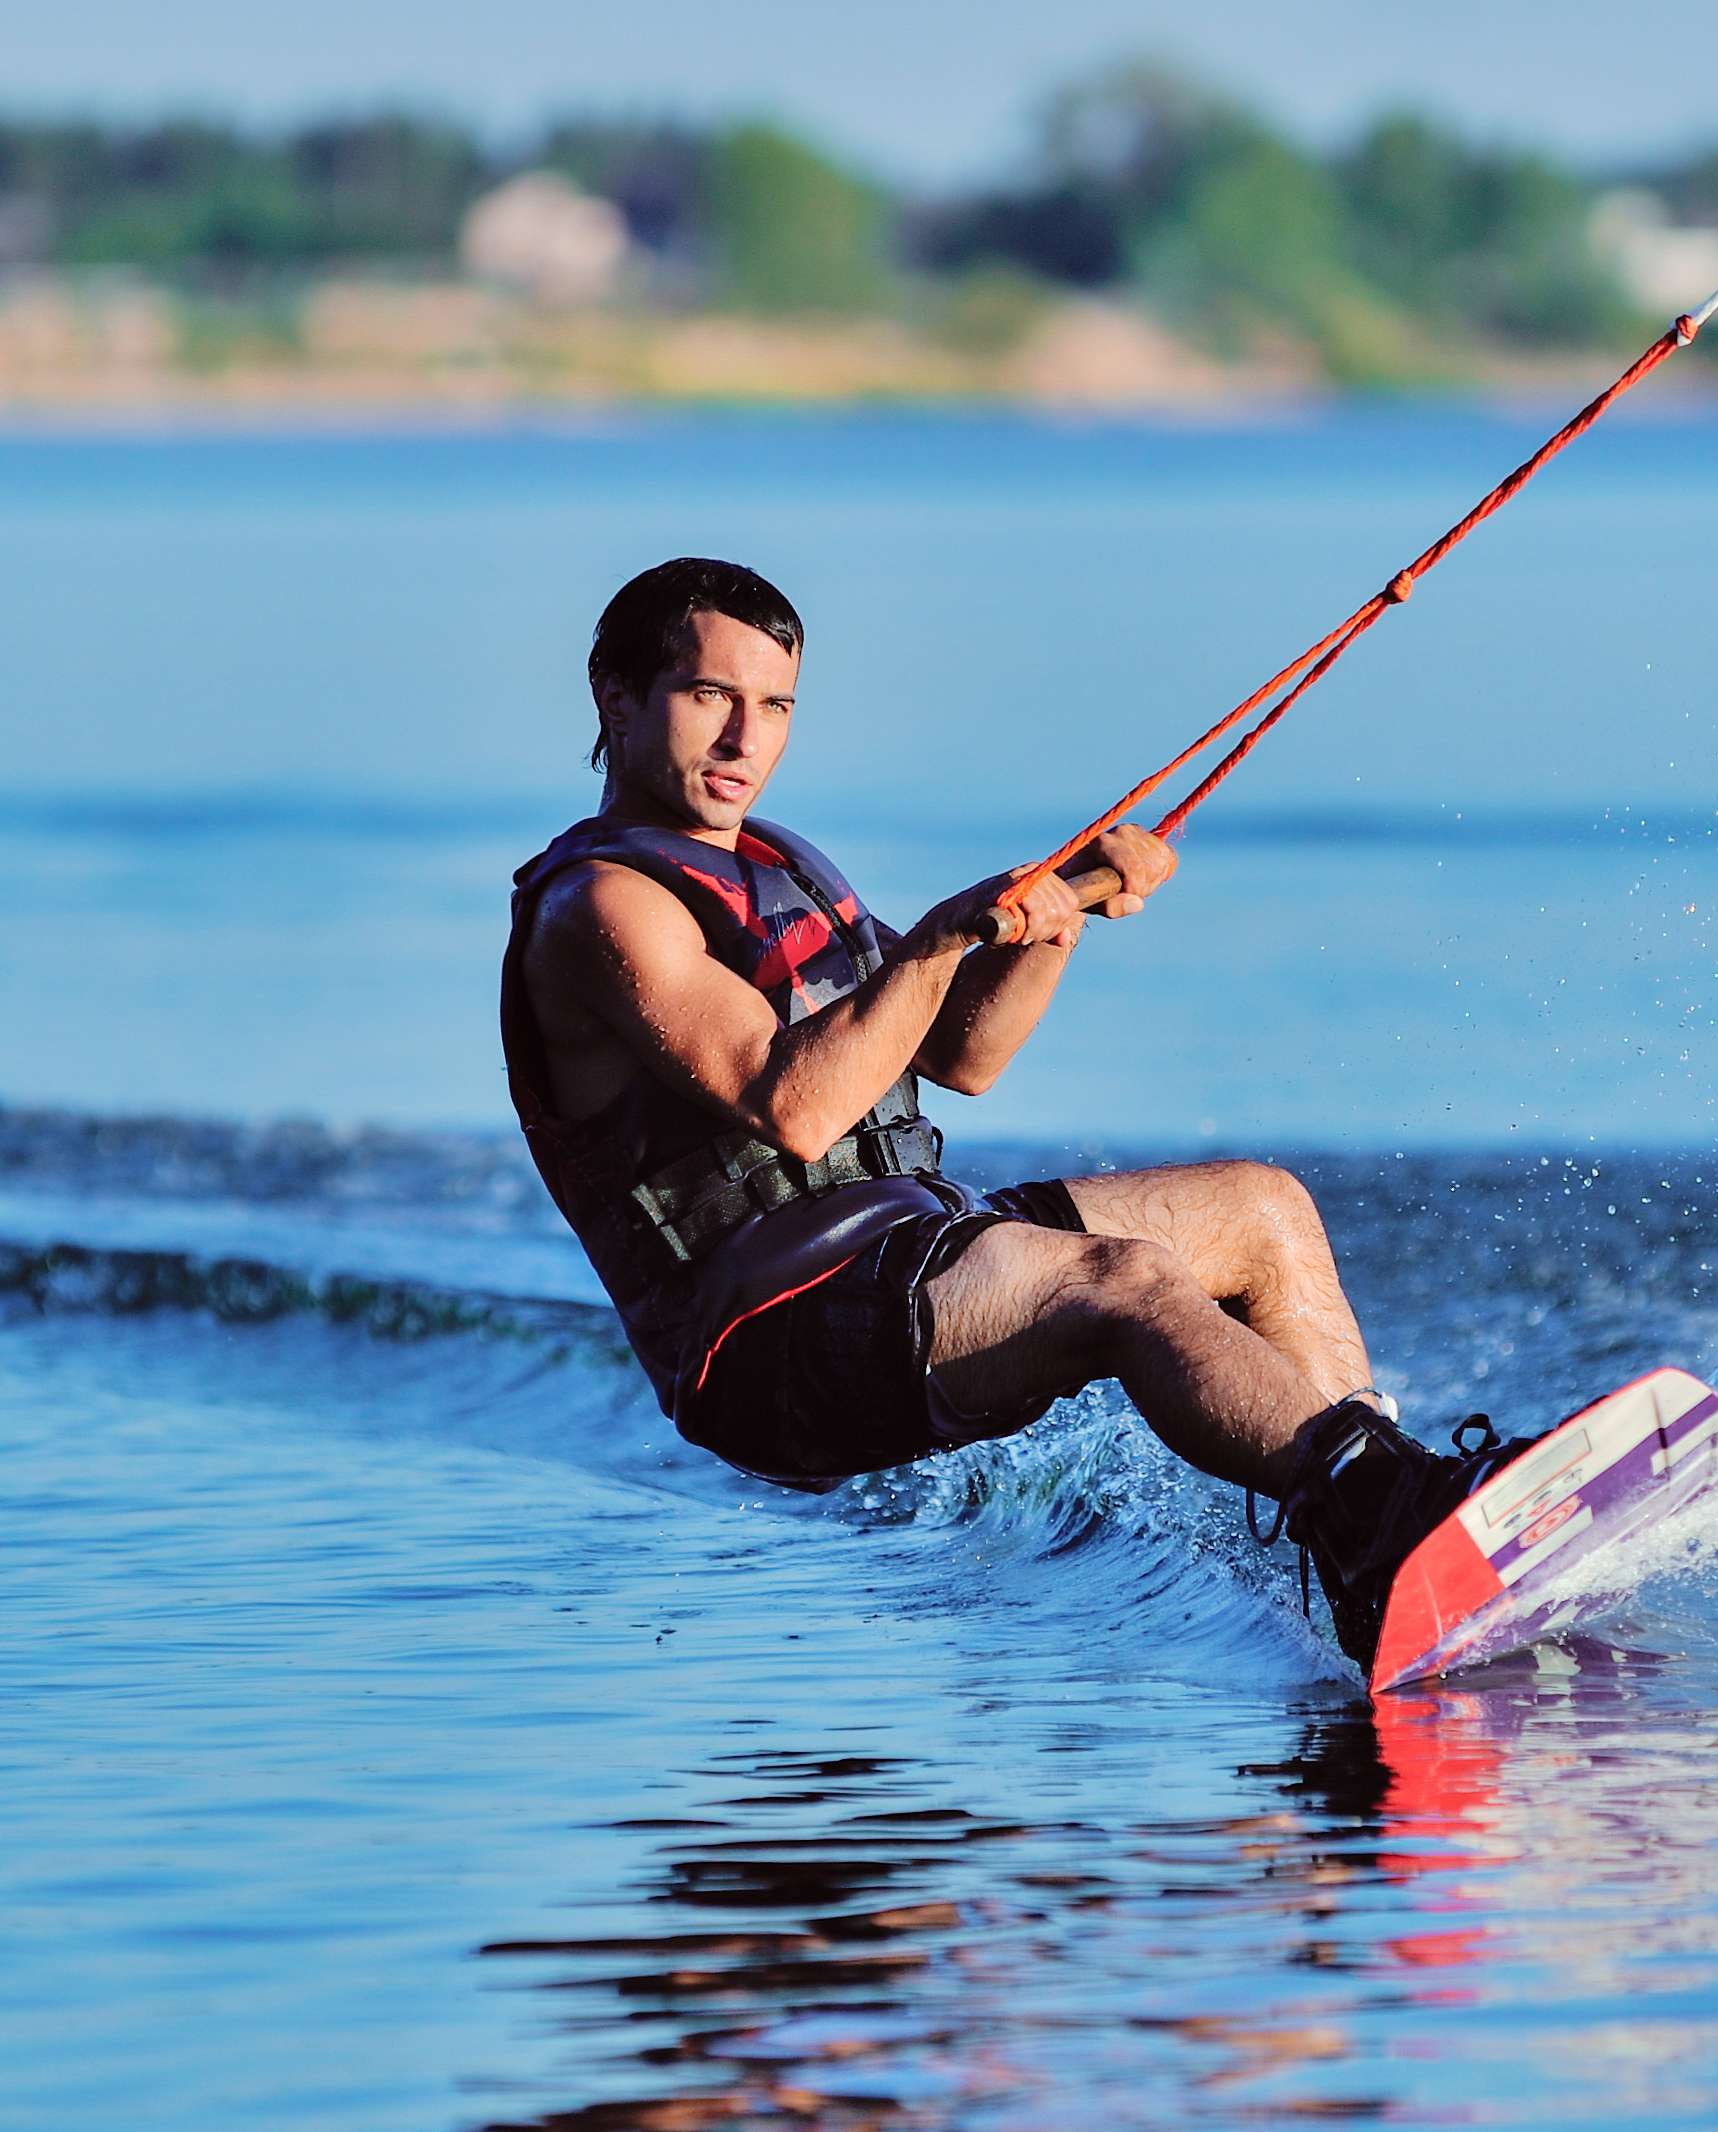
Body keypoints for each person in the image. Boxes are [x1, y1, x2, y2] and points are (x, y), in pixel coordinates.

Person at [502, 557, 1532, 1671]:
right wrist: (943, 937)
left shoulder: (776, 862)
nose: (747, 738)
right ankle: (1391, 1508)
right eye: (710, 697)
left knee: (1261, 1210)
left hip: (908, 1254)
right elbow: (793, 1107)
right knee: (1127, 1282)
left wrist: (1056, 919)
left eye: (777, 706)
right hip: (772, 1343)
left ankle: (1381, 1559)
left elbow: (960, 1053)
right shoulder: (600, 904)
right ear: (615, 695)